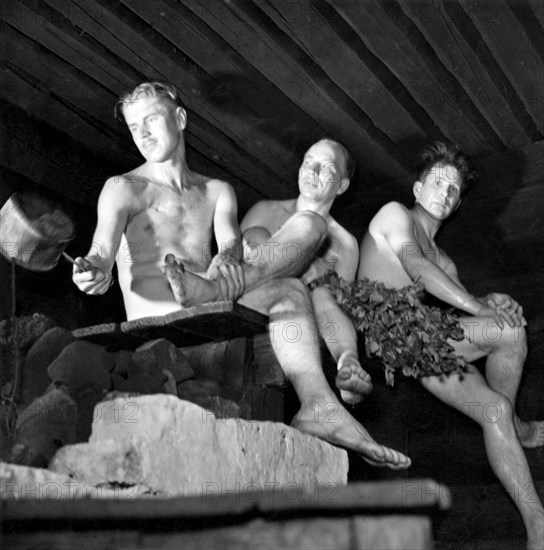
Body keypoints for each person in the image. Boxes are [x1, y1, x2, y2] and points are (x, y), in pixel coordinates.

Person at [73, 81, 409, 469]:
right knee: (287, 279)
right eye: (134, 126)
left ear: (180, 119)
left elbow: (231, 250)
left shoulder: (218, 191)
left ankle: (318, 405)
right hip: (158, 321)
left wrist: (224, 268)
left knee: (303, 249)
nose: (143, 133)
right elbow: (100, 253)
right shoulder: (123, 188)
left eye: (151, 119)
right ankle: (208, 292)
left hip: (210, 306)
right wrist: (94, 272)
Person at [357, 141, 543, 548]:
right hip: (391, 340)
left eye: (453, 189)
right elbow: (416, 268)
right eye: (438, 183)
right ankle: (519, 427)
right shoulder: (394, 214)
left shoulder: (445, 262)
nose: (444, 192)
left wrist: (494, 302)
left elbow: (459, 308)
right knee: (507, 331)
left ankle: (538, 526)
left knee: (493, 405)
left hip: (426, 349)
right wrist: (483, 308)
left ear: (457, 204)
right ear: (417, 189)